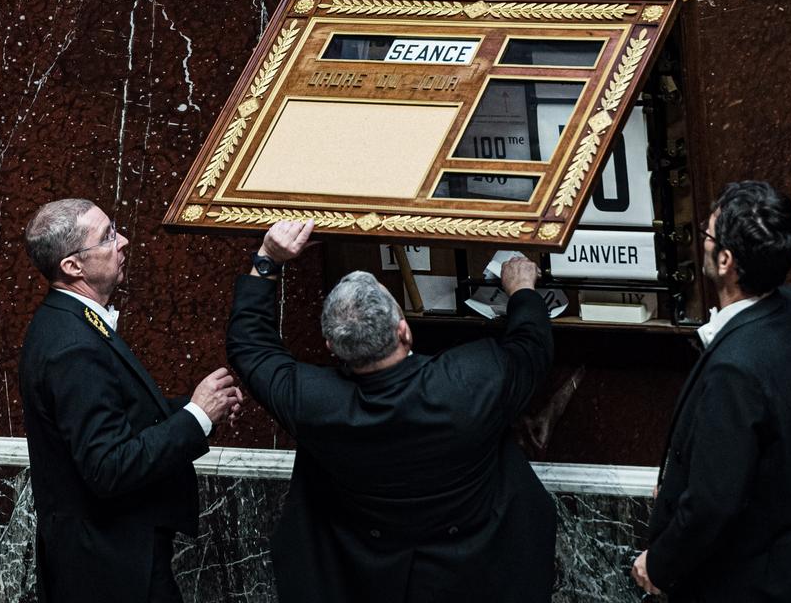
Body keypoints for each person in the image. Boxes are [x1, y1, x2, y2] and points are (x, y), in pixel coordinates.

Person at [227, 219, 557, 603]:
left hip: (368, 582)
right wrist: (522, 291)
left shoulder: (312, 401)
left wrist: (268, 258)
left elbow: (250, 346)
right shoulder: (475, 379)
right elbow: (531, 346)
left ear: (332, 348)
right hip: (480, 577)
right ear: (405, 331)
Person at [19, 198, 244, 603]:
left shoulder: (70, 321)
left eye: (115, 228)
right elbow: (108, 467)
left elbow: (119, 419)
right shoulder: (73, 347)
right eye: (106, 237)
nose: (122, 240)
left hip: (112, 555)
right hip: (112, 569)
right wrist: (196, 418)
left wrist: (196, 408)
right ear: (73, 267)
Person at [631, 181, 791, 601]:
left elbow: (713, 503)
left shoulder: (735, 370)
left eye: (707, 235)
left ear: (725, 261)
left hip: (749, 584)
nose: (703, 242)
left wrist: (658, 563)